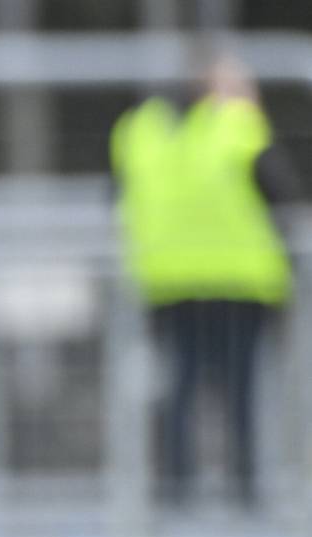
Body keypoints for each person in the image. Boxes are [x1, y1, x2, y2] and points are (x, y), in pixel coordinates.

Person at [112, 55, 297, 506]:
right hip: (239, 282)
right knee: (239, 390)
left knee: (178, 387)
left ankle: (175, 490)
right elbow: (283, 195)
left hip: (167, 282)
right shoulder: (238, 127)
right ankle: (245, 490)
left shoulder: (141, 131)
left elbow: (116, 197)